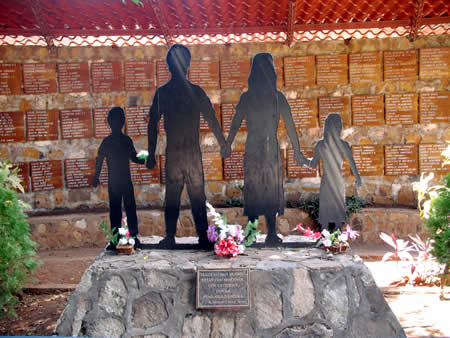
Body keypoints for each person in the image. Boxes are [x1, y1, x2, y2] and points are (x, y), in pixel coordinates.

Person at [147, 44, 229, 249]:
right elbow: (212, 119)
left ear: (169, 66)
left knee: (180, 195)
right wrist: (223, 144)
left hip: (179, 153)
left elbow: (152, 125)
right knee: (193, 195)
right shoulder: (193, 91)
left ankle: (173, 236)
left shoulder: (164, 93)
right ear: (188, 65)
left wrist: (151, 154)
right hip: (188, 153)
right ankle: (193, 236)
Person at [225, 53, 307, 246]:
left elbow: (289, 124)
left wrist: (228, 143)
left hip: (262, 147)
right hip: (263, 148)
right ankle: (262, 233)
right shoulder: (272, 97)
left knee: (265, 188)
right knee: (261, 187)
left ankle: (263, 233)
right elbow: (236, 122)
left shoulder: (266, 97)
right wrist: (297, 150)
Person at [92, 107, 145, 250]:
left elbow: (99, 162)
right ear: (123, 122)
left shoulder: (107, 142)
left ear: (109, 122)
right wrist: (145, 159)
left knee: (117, 210)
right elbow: (134, 158)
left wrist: (96, 177)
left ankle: (119, 238)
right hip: (123, 181)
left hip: (115, 182)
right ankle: (130, 236)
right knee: (128, 208)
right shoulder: (125, 140)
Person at [307, 113, 361, 231]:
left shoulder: (321, 144)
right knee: (336, 210)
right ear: (338, 127)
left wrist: (303, 160)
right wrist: (358, 178)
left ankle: (325, 236)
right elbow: (352, 163)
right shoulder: (343, 145)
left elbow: (313, 164)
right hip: (337, 181)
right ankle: (336, 238)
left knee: (327, 211)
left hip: (328, 181)